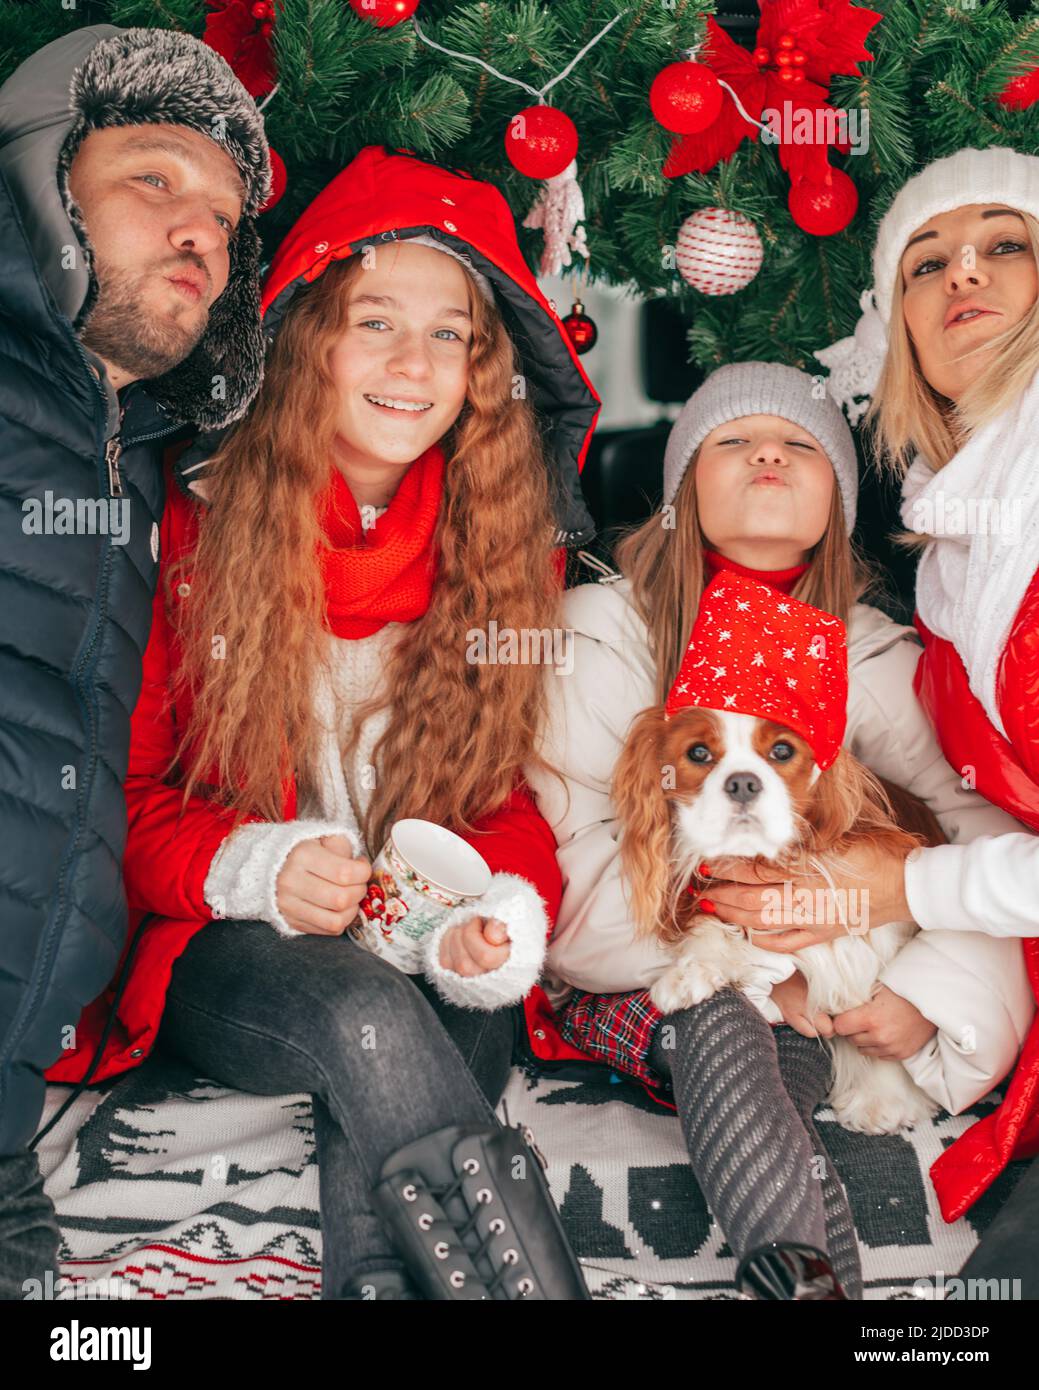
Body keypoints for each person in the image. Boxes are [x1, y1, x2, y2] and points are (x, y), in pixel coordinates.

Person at [41, 144, 602, 1300]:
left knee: (456, 1010)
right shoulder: (193, 530)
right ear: (308, 342)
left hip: (416, 942)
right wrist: (262, 864)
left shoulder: (499, 554)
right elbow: (126, 808)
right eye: (374, 322)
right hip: (233, 950)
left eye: (450, 333)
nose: (414, 363)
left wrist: (490, 916)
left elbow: (499, 802)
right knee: (365, 1012)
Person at [523, 362, 1033, 1300]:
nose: (767, 450)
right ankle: (804, 1277)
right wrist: (763, 960)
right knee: (722, 1020)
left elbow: (982, 845)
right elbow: (574, 876)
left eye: (801, 443)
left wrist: (929, 993)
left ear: (840, 502)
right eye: (730, 439)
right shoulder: (593, 636)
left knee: (785, 1049)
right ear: (679, 492)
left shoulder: (879, 659)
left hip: (837, 989)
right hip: (646, 976)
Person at [0, 24, 272, 1301]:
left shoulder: (134, 457)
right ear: (42, 181)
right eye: (155, 180)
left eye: (223, 219)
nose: (199, 235)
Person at [724, 148, 1039, 1243]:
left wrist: (904, 888)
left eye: (1006, 244)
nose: (965, 276)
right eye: (927, 262)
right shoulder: (957, 534)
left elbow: (955, 840)